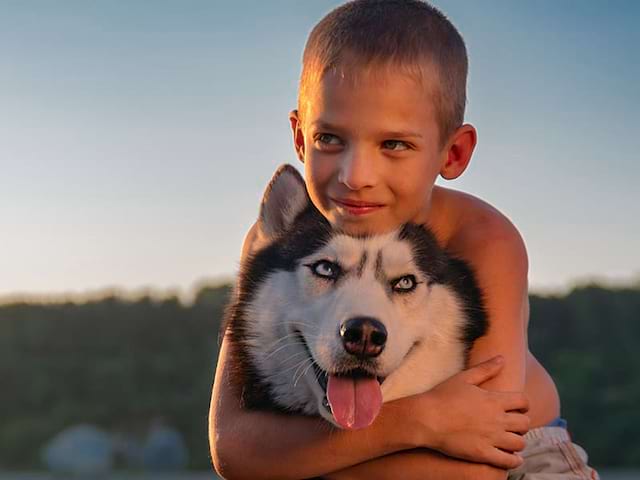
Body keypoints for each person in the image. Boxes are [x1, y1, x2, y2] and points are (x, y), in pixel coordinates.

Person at [209, 1, 599, 478]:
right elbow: (234, 447)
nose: (356, 177)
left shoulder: (483, 238)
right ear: (299, 136)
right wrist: (422, 419)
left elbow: (481, 467)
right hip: (358, 446)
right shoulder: (282, 233)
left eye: (394, 144)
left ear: (452, 152)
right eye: (330, 138)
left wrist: (285, 464)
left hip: (519, 460)